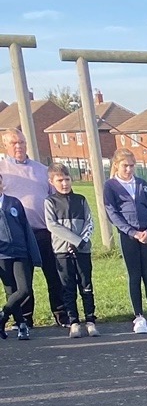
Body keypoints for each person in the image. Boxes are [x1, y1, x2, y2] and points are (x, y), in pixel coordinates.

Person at [0, 128, 66, 327]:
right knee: (22, 282)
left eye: (21, 142)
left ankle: (61, 314)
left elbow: (55, 197)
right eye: (14, 143)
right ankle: (25, 319)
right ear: (5, 146)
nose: (19, 146)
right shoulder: (2, 170)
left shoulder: (41, 169)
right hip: (17, 236)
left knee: (54, 275)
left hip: (44, 231)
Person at [104, 148, 147, 334]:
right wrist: (131, 232)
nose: (129, 170)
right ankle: (139, 316)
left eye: (132, 166)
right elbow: (113, 213)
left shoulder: (142, 184)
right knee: (134, 276)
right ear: (116, 165)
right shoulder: (111, 185)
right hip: (129, 237)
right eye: (125, 166)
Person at [44, 163, 97, 339]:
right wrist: (73, 240)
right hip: (61, 252)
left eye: (67, 179)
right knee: (68, 287)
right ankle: (74, 322)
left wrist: (81, 242)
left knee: (86, 284)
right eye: (60, 180)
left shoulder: (80, 200)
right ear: (52, 182)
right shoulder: (50, 202)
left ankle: (90, 320)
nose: (64, 184)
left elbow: (90, 222)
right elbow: (53, 225)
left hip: (82, 251)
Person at [0, 171, 40, 340]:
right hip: (2, 256)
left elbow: (26, 229)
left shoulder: (13, 202)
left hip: (20, 252)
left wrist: (34, 254)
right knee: (11, 291)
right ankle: (21, 325)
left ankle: (2, 316)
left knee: (24, 290)